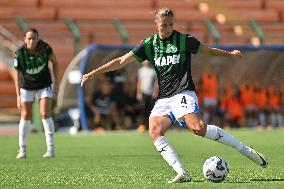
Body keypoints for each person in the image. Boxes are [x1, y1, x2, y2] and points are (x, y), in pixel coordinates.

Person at [81, 8, 268, 183]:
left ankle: (244, 149)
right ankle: (182, 172)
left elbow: (207, 50)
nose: (169, 28)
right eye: (164, 25)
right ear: (156, 24)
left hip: (183, 92)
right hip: (164, 98)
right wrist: (93, 73)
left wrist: (230, 55)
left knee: (198, 128)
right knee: (154, 131)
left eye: (171, 24)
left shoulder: (184, 40)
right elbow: (121, 60)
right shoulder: (149, 45)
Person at [14, 28, 58, 159]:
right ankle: (22, 149)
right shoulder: (20, 54)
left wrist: (57, 83)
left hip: (44, 84)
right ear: (24, 39)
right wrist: (17, 95)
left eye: (34, 38)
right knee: (25, 114)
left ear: (38, 39)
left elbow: (55, 62)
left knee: (45, 113)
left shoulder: (46, 49)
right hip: (27, 86)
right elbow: (17, 74)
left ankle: (50, 149)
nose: (32, 40)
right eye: (29, 38)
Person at [136, 60, 158, 128]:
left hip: (151, 93)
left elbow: (155, 82)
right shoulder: (141, 70)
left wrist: (155, 92)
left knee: (150, 110)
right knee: (143, 109)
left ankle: (151, 125)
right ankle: (143, 125)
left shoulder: (153, 71)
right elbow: (139, 82)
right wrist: (138, 93)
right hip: (143, 93)